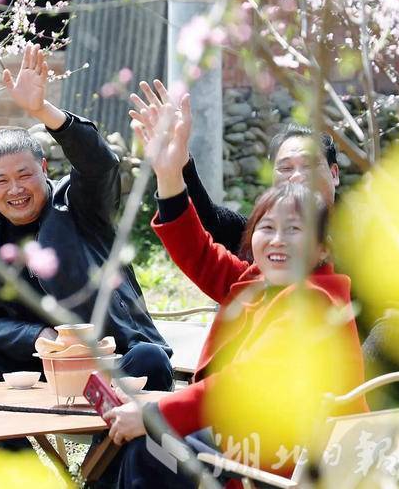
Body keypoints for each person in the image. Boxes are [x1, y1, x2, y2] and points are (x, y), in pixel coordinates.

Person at [103, 106, 368, 488]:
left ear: (322, 248)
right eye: (267, 227)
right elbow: (198, 251)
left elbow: (242, 383)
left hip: (291, 462)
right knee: (136, 445)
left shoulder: (313, 302)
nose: (277, 240)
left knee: (149, 450)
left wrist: (153, 415)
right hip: (249, 443)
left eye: (294, 230)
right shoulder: (259, 282)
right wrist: (168, 174)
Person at [0, 44, 173, 393]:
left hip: (108, 357)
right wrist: (37, 336)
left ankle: (109, 429)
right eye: (1, 180)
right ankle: (16, 432)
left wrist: (42, 110)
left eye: (24, 175)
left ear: (44, 168)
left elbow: (99, 164)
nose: (15, 189)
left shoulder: (79, 203)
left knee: (149, 359)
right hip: (32, 364)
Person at [128, 80, 340, 254]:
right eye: (285, 168)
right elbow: (207, 224)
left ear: (334, 173)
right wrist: (176, 166)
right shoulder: (257, 248)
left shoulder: (359, 241)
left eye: (309, 166)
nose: (297, 176)